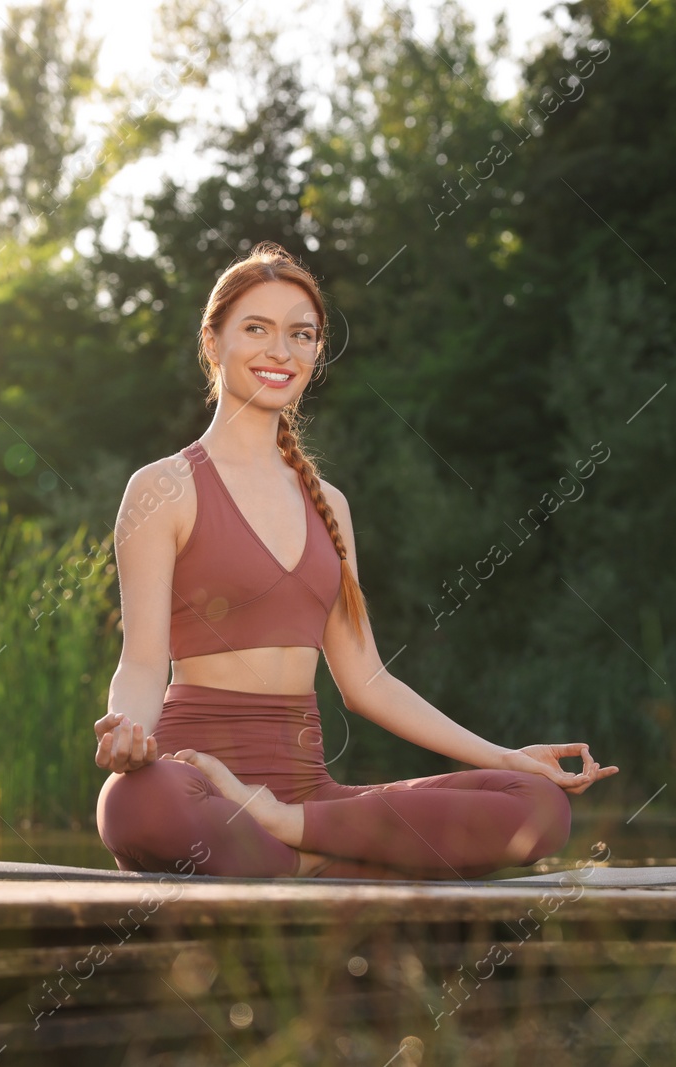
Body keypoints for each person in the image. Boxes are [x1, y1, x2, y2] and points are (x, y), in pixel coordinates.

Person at [93, 241, 618, 879]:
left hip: (306, 798)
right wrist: (128, 731)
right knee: (137, 804)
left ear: (317, 350)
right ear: (212, 341)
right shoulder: (164, 487)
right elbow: (143, 662)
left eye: (301, 334)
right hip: (199, 785)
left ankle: (291, 841)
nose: (281, 351)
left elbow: (367, 682)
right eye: (256, 329)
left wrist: (507, 757)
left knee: (537, 806)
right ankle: (332, 860)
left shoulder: (330, 505)